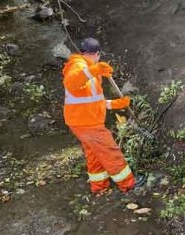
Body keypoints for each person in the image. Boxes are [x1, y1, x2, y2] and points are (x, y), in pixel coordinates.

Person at [62, 37, 145, 194]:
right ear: (96, 54)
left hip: (83, 121)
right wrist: (95, 70)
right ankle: (128, 184)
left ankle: (99, 186)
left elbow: (92, 101)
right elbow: (71, 82)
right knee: (109, 151)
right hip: (87, 124)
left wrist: (115, 104)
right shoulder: (78, 66)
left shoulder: (89, 69)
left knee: (94, 154)